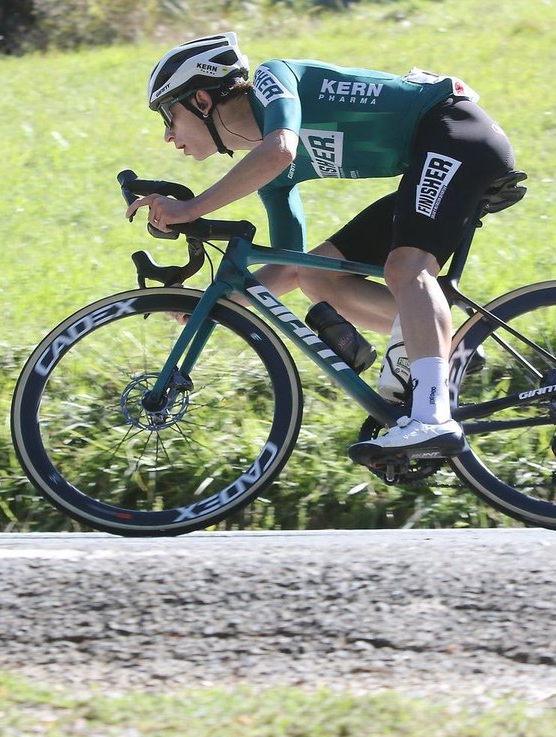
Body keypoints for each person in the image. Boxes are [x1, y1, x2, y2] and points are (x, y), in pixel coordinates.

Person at [126, 32, 515, 460]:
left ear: (201, 100)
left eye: (168, 115)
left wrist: (191, 208)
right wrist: (211, 304)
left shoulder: (273, 81)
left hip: (453, 132)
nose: (167, 135)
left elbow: (281, 150)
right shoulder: (268, 167)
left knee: (407, 268)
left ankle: (431, 419)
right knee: (316, 272)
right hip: (434, 151)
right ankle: (449, 347)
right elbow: (289, 266)